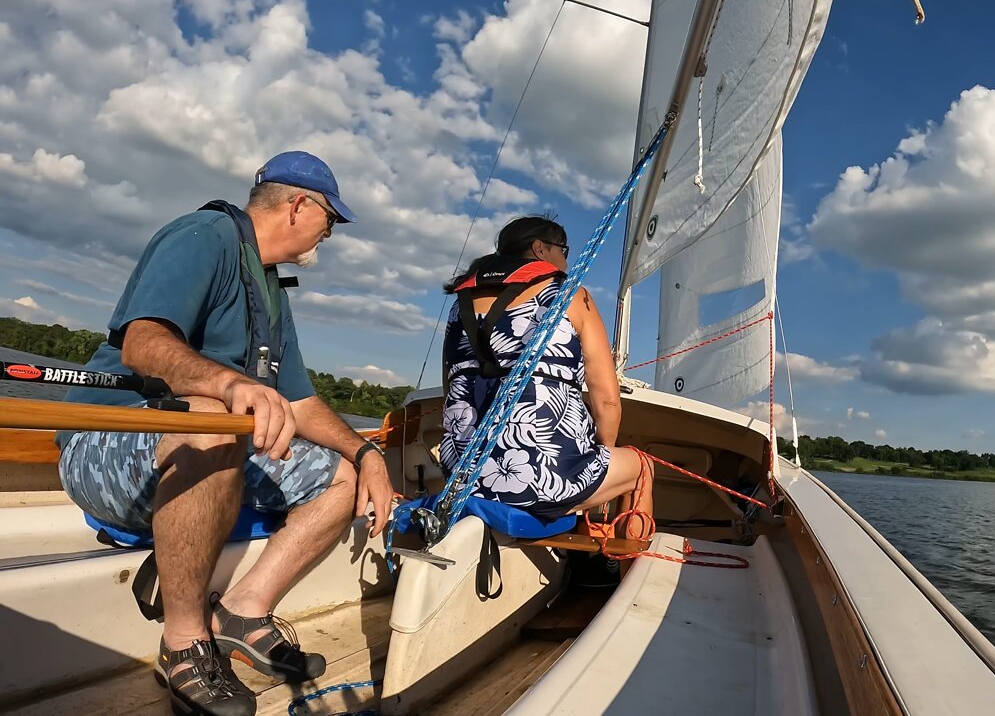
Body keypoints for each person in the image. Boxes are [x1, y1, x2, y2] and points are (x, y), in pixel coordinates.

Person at [57, 152, 395, 716]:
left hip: (210, 444)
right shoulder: (203, 235)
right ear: (298, 206)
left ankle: (240, 609)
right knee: (216, 417)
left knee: (340, 476)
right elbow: (143, 341)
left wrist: (366, 452)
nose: (329, 234)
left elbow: (302, 401)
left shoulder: (270, 289)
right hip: (106, 443)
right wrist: (226, 383)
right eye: (331, 221)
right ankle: (184, 644)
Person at [438, 216, 653, 542]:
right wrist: (600, 457)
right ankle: (624, 572)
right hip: (544, 481)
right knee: (643, 467)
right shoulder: (570, 294)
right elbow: (606, 399)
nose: (567, 260)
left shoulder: (460, 303)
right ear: (540, 248)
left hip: (461, 475)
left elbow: (451, 388)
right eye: (563, 250)